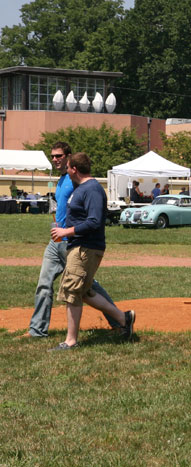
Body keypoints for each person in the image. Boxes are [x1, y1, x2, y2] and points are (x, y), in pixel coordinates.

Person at [26, 142, 124, 339]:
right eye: (52, 156)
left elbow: (89, 210)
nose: (55, 159)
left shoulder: (76, 180)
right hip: (56, 241)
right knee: (44, 283)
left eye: (59, 156)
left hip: (72, 240)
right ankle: (37, 331)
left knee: (87, 287)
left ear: (69, 158)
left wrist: (68, 231)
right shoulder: (62, 180)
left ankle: (120, 321)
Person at [48, 152, 134, 350]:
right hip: (77, 245)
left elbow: (95, 221)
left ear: (74, 169)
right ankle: (124, 318)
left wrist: (66, 231)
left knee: (72, 290)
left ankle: (70, 341)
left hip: (86, 248)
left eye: (68, 167)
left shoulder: (92, 189)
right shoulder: (82, 188)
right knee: (84, 292)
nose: (66, 171)